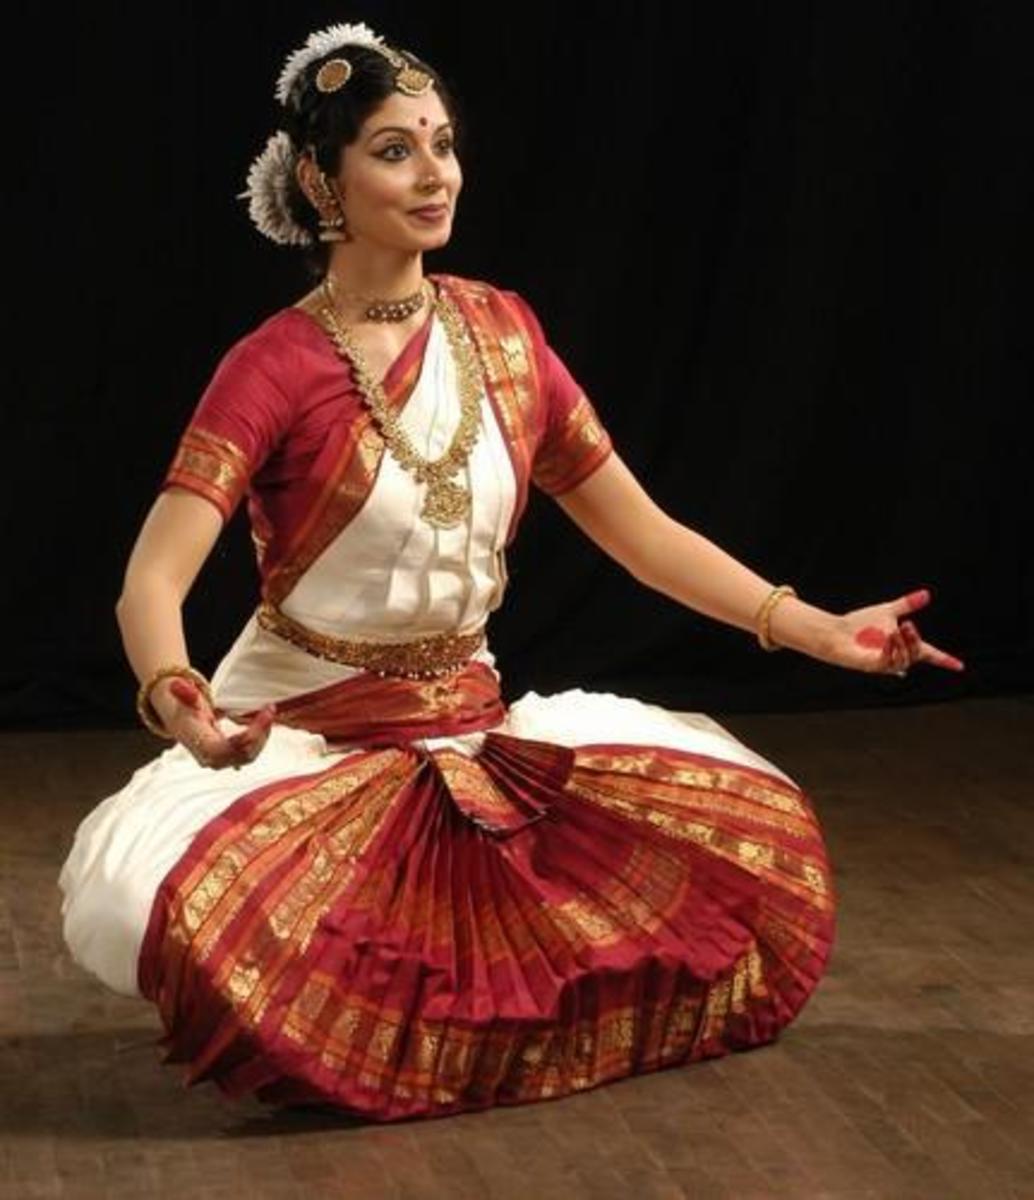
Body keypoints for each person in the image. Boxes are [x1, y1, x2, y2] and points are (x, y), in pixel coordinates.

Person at [57, 22, 964, 1123]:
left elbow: (640, 533)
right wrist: (180, 700)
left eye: (442, 144)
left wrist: (819, 630)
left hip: (472, 742)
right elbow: (151, 583)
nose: (434, 173)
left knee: (747, 856)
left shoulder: (501, 332)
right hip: (306, 742)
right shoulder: (275, 366)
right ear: (321, 182)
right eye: (395, 150)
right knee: (195, 929)